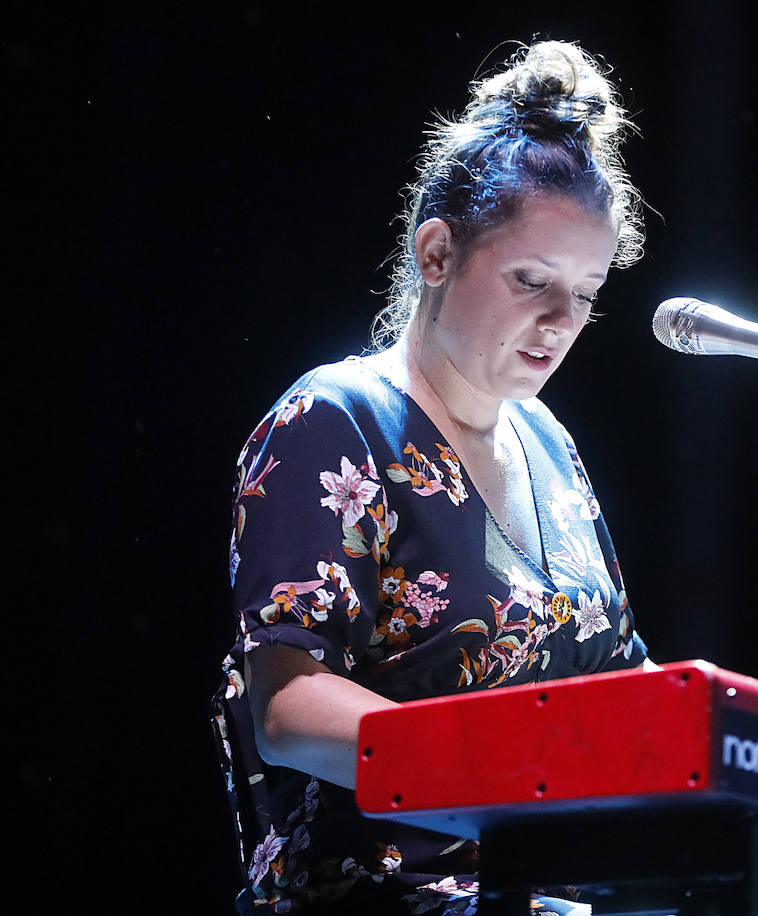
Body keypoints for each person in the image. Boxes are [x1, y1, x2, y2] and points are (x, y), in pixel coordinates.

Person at [211, 40, 651, 915]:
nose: (561, 320)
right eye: (531, 280)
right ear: (437, 254)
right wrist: (509, 771)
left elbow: (619, 681)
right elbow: (289, 706)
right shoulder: (336, 420)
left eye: (587, 292)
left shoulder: (551, 448)